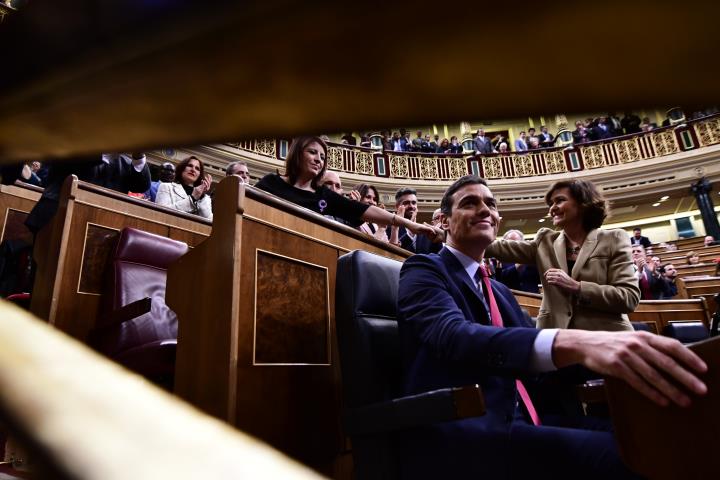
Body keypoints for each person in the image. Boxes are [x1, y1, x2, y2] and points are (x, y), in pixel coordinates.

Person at [397, 174, 708, 479]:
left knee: (661, 436)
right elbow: (455, 336)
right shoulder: (424, 269)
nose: (484, 210)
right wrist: (577, 343)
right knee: (632, 459)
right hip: (471, 428)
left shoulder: (501, 292)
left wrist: (621, 361)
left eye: (491, 204)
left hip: (535, 418)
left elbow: (536, 366)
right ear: (445, 220)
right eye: (469, 203)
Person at [486, 179, 639, 331]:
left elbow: (628, 298)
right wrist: (483, 226)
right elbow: (495, 248)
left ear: (582, 203)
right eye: (550, 204)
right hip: (556, 338)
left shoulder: (613, 239)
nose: (552, 208)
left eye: (559, 201)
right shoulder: (545, 241)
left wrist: (577, 287)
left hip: (607, 338)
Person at [255, 136, 443, 243]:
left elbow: (364, 210)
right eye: (312, 152)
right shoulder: (271, 182)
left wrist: (409, 224)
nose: (319, 160)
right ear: (297, 154)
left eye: (322, 156)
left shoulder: (324, 196)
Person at [156, 156, 213, 220]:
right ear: (182, 168)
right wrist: (192, 199)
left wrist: (201, 196)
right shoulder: (166, 187)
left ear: (199, 175)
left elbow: (209, 220)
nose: (193, 169)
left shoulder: (205, 198)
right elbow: (161, 213)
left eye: (197, 168)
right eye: (190, 165)